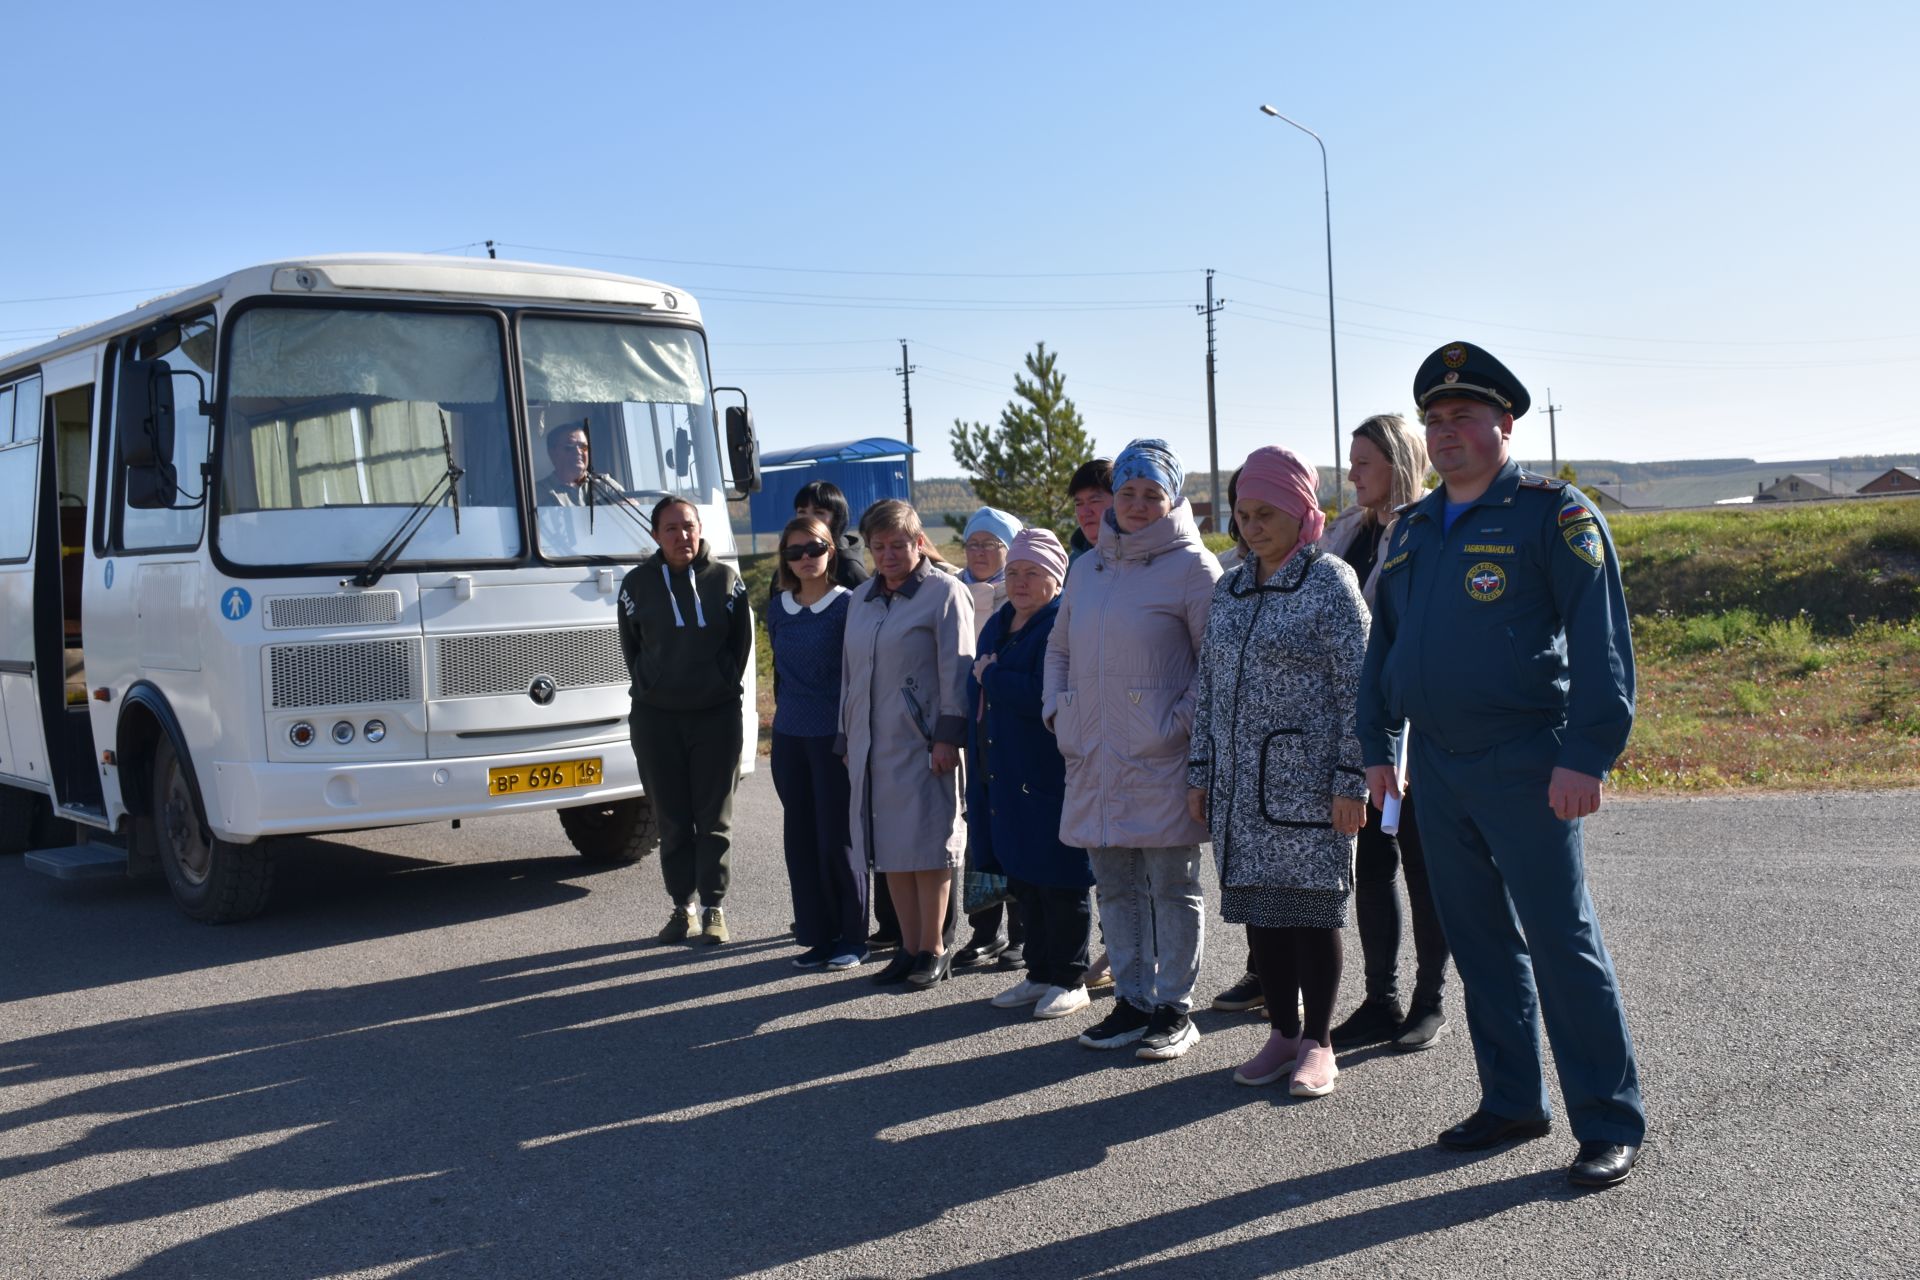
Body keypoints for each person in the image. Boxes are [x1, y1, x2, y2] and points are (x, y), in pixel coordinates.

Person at [1359, 341, 1644, 1188]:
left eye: (1464, 417)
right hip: (1436, 771)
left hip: (1529, 761)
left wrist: (1587, 754)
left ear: (1504, 425)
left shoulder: (1554, 515)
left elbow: (1602, 644)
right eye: (1434, 421)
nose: (1447, 434)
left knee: (1562, 942)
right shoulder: (1412, 528)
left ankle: (1607, 1118)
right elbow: (1388, 649)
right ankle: (1512, 1100)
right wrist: (1377, 747)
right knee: (1480, 943)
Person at [1187, 447, 1368, 1097]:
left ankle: (1319, 1042)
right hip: (1239, 788)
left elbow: (1360, 689)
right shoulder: (1230, 587)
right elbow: (1208, 688)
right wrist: (1201, 772)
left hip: (1310, 788)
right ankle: (1282, 1032)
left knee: (1313, 917)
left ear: (1301, 513)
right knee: (1263, 916)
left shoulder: (1330, 583)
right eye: (1243, 515)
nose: (1252, 527)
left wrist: (1352, 780)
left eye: (1267, 514)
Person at [1045, 439, 1221, 1060]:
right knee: (1113, 884)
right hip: (1092, 752)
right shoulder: (1087, 566)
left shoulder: (1195, 568)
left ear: (1171, 498)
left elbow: (1215, 666)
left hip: (1162, 756)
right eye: (1128, 492)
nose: (1139, 505)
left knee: (1172, 884)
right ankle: (1133, 999)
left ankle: (1175, 1006)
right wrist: (1057, 710)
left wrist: (1173, 723)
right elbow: (1059, 649)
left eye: (1153, 494)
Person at [1321, 415, 1452, 1052]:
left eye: (1363, 463)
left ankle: (1430, 1000)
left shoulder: (1427, 531)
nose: (1350, 475)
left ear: (1398, 463)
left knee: (1422, 867)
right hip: (1359, 726)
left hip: (1413, 726)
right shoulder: (1348, 534)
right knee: (1369, 865)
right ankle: (1381, 999)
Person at [838, 499, 975, 988]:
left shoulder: (945, 593)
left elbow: (957, 672)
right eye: (879, 546)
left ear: (919, 542)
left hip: (923, 744)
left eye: (899, 543)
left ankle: (934, 949)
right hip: (872, 745)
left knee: (929, 845)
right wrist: (846, 735)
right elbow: (850, 674)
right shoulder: (862, 599)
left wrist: (947, 739)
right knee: (891, 847)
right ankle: (908, 946)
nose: (889, 554)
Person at [967, 529, 1094, 1021]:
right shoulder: (999, 622)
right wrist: (990, 675)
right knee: (1025, 874)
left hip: (1047, 767)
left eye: (1033, 573)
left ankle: (1071, 977)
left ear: (1056, 578)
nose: (1020, 582)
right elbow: (974, 678)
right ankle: (1040, 971)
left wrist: (993, 676)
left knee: (1061, 877)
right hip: (1002, 767)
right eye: (1014, 571)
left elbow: (1046, 690)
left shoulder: (1060, 623)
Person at [616, 497, 753, 945]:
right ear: (656, 535)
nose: (682, 536)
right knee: (671, 817)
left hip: (715, 716)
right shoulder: (636, 584)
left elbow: (740, 645)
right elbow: (631, 647)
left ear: (700, 529)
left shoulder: (725, 582)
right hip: (656, 719)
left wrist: (718, 682)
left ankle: (714, 908)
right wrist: (654, 685)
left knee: (714, 818)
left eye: (689, 526)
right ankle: (683, 908)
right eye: (671, 529)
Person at [765, 516, 865, 971]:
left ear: (831, 551)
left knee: (837, 838)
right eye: (794, 551)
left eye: (814, 548)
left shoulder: (850, 604)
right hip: (788, 738)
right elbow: (781, 677)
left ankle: (853, 937)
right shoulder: (777, 607)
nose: (805, 558)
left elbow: (857, 676)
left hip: (833, 737)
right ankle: (816, 935)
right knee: (800, 839)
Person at [954, 504, 1028, 969]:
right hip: (973, 723)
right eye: (973, 543)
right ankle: (985, 930)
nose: (980, 552)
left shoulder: (1024, 595)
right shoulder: (953, 590)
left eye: (991, 544)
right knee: (979, 825)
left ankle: (1022, 931)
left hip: (1015, 725)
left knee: (1015, 825)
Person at [789, 480, 871, 591]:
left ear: (836, 518)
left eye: (818, 512)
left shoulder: (848, 568)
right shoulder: (791, 559)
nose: (808, 519)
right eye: (802, 512)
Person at [1066, 458, 1114, 565]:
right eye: (1079, 504)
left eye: (1094, 501)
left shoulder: (1149, 560)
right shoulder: (1073, 565)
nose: (1084, 512)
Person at [535, 422, 592, 506]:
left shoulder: (605, 487)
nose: (578, 452)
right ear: (553, 453)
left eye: (583, 447)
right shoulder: (535, 494)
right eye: (569, 446)